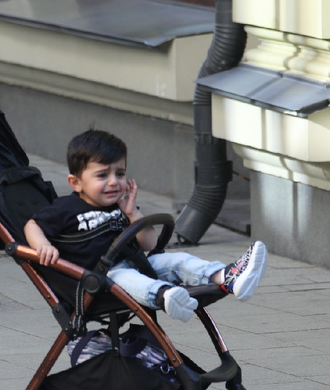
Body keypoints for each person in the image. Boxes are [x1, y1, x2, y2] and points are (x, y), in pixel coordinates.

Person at [24, 129, 267, 322]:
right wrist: (43, 245)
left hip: (138, 263)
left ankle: (227, 276)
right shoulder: (66, 208)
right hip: (102, 279)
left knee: (177, 260)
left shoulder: (120, 206)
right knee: (128, 277)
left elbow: (149, 244)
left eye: (119, 174)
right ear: (75, 182)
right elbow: (32, 225)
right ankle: (165, 296)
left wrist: (132, 213)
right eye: (102, 175)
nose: (113, 182)